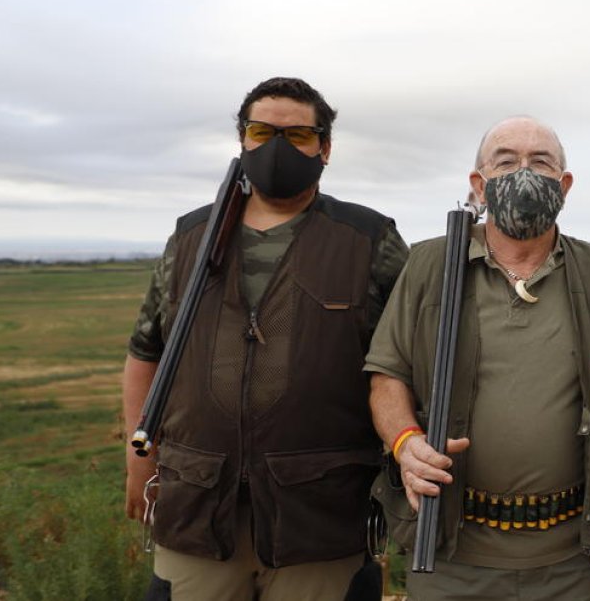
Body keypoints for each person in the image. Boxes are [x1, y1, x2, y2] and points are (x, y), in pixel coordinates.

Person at [365, 116, 590, 601]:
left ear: (565, 184)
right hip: (450, 554)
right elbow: (387, 376)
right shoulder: (429, 265)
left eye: (541, 162)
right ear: (478, 184)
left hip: (570, 560)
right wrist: (405, 442)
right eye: (506, 161)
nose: (524, 173)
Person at [122, 76, 408, 601]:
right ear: (242, 141)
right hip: (197, 509)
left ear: (325, 147)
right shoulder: (191, 237)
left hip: (320, 517)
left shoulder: (369, 239)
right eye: (262, 131)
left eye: (298, 135)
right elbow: (147, 352)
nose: (277, 146)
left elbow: (409, 361)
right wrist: (139, 460)